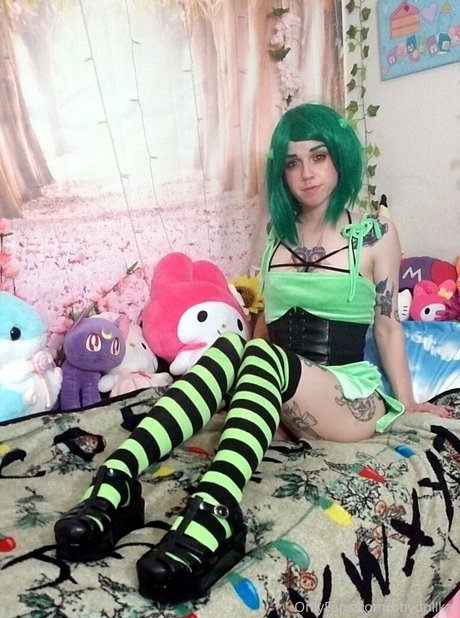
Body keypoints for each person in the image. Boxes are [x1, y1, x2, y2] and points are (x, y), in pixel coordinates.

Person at [54, 102, 450, 606]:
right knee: (232, 344)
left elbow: (388, 325)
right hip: (283, 391)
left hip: (349, 397)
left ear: (340, 159)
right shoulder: (275, 237)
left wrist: (409, 403)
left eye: (319, 156)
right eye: (293, 162)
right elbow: (264, 327)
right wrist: (245, 387)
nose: (307, 173)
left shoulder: (375, 233)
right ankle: (118, 478)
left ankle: (215, 510)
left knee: (260, 355)